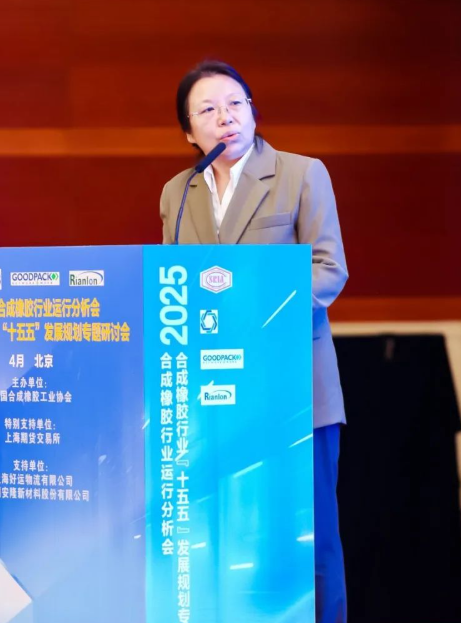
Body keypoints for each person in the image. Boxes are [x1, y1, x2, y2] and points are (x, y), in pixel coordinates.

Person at [159, 60, 349, 623]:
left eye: (235, 104)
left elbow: (329, 271)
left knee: (310, 541)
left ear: (252, 111)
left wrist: (254, 314)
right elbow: (172, 285)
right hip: (217, 396)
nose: (226, 118)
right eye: (208, 110)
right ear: (189, 132)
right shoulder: (178, 193)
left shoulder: (300, 173)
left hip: (295, 389)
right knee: (231, 541)